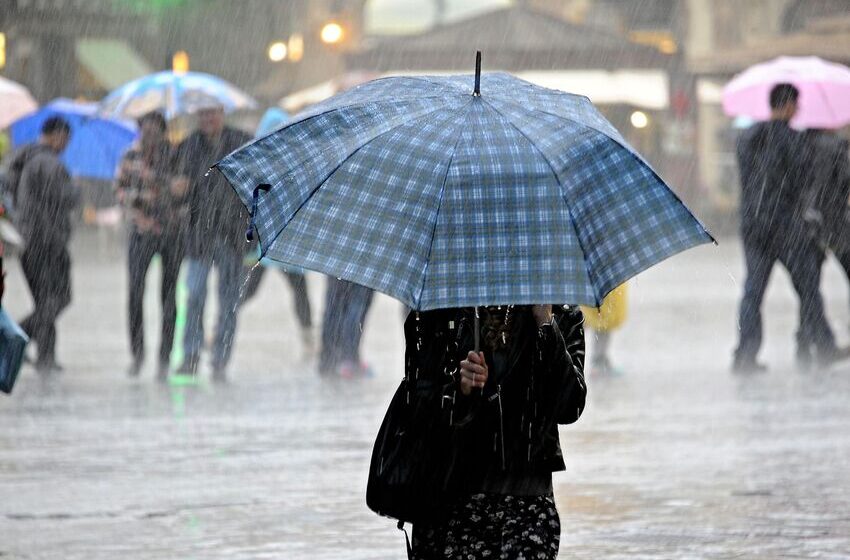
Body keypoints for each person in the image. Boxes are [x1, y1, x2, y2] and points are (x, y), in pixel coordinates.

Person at [392, 305, 587, 558]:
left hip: (527, 502)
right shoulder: (442, 306)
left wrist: (545, 325)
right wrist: (459, 390)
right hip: (450, 500)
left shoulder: (560, 309)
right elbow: (418, 402)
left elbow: (569, 406)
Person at [733, 83, 847, 372]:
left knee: (753, 291)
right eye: (796, 104)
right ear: (787, 105)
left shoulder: (747, 138)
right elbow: (803, 179)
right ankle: (823, 345)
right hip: (785, 226)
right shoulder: (793, 140)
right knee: (808, 287)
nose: (798, 110)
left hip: (753, 224)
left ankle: (745, 355)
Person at [173, 104, 251, 381]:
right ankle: (191, 354)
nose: (208, 119)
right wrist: (178, 191)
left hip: (232, 235)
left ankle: (220, 359)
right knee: (194, 294)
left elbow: (254, 188)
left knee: (229, 302)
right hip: (199, 235)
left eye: (212, 113)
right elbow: (177, 192)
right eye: (203, 114)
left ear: (222, 113)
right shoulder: (186, 147)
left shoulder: (241, 143)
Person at [115, 111, 185, 380]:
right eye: (146, 129)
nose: (151, 135)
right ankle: (137, 353)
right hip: (140, 233)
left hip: (170, 233)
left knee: (169, 298)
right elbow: (120, 191)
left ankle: (164, 357)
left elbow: (184, 191)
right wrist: (141, 198)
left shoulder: (176, 155)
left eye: (156, 130)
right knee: (135, 294)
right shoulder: (130, 156)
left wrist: (171, 189)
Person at [12, 117, 78, 372]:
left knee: (44, 301)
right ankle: (14, 337)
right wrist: (76, 190)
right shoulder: (48, 163)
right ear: (57, 135)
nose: (66, 145)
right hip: (47, 242)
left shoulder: (25, 159)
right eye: (66, 139)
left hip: (28, 241)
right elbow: (64, 199)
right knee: (60, 298)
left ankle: (46, 357)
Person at [318, 277, 373, 376]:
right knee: (358, 301)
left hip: (338, 266)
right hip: (365, 267)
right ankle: (348, 358)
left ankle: (328, 357)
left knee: (334, 299)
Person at [581, 283, 628, 375]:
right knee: (602, 322)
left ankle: (600, 359)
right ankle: (598, 360)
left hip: (605, 289)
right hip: (605, 290)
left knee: (601, 322)